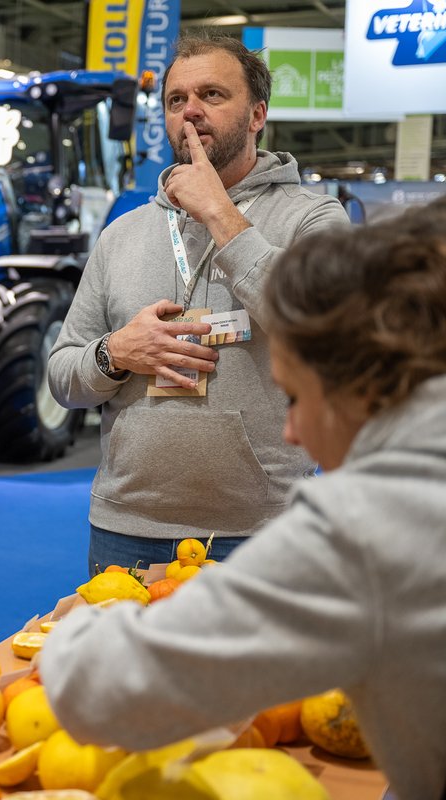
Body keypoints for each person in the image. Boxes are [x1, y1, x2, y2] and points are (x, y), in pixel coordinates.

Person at [38, 199, 446, 800]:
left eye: (294, 396)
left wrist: (70, 631)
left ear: (357, 380)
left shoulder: (369, 522)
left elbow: (107, 688)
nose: (292, 432)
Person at [46, 33, 349, 576]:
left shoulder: (315, 219)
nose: (190, 112)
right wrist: (117, 352)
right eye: (175, 100)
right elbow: (63, 377)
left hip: (265, 530)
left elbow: (324, 331)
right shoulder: (122, 234)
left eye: (212, 94)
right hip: (127, 527)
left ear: (257, 115)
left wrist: (221, 215)